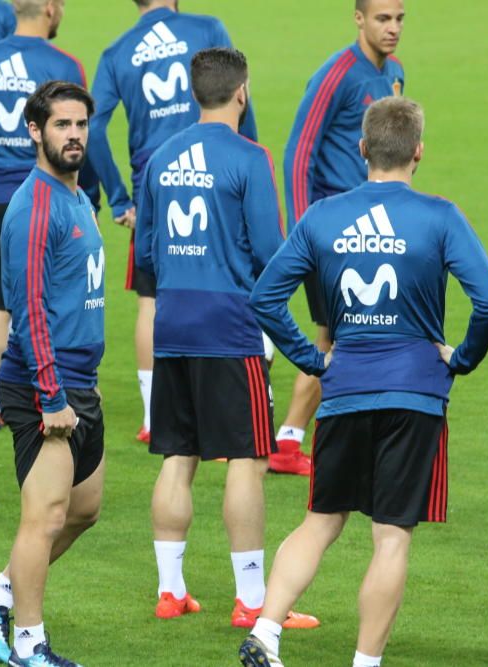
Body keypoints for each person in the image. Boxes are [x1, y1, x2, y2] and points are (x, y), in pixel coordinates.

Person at [239, 97, 488, 667]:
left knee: (321, 521)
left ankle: (265, 630)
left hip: (343, 391)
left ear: (362, 149)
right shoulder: (440, 216)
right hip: (415, 395)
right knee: (391, 537)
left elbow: (265, 297)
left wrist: (312, 359)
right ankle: (365, 663)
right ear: (418, 152)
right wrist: (461, 358)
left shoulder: (322, 217)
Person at [136, 48, 318, 630]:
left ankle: (170, 591)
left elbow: (144, 251)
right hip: (229, 327)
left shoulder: (159, 158)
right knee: (247, 459)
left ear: (195, 93)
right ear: (242, 91)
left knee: (177, 456)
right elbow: (271, 251)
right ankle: (252, 600)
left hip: (171, 324)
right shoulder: (249, 157)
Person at [0, 81, 105, 667]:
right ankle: (28, 644)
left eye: (80, 125)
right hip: (43, 385)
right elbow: (30, 311)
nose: (73, 135)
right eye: (61, 125)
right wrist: (51, 395)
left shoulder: (77, 196)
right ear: (35, 131)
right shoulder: (34, 205)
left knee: (84, 510)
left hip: (82, 382)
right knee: (43, 517)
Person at [88, 0, 257, 444]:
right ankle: (223, 407)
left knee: (151, 300)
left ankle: (153, 415)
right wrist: (250, 155)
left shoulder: (117, 51)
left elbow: (95, 126)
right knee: (228, 280)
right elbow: (240, 94)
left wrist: (120, 196)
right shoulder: (208, 27)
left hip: (156, 182)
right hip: (221, 172)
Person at [273, 0, 406, 476]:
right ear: (359, 19)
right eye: (382, 19)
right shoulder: (336, 74)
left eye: (399, 19)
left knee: (339, 333)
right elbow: (299, 149)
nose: (392, 29)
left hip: (370, 228)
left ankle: (289, 440)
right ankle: (298, 438)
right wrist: (302, 229)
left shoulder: (394, 74)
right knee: (341, 333)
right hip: (332, 229)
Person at [0, 0, 95, 430]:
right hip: (48, 196)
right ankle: (49, 386)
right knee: (52, 300)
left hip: (2, 197)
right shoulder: (63, 64)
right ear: (52, 9)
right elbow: (76, 136)